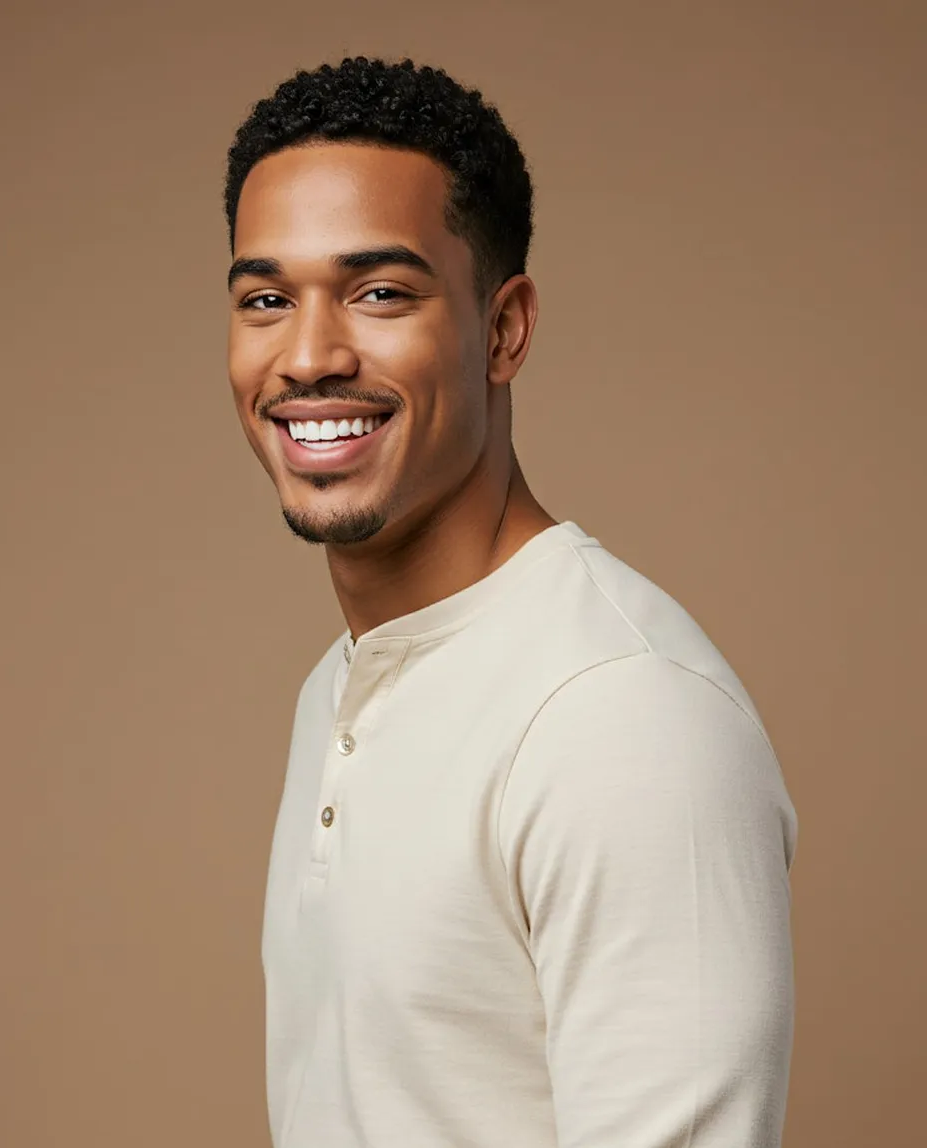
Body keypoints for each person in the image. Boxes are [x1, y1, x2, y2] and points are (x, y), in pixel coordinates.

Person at [223, 56, 797, 1148]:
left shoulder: (623, 716)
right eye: (266, 299)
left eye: (379, 293)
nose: (307, 356)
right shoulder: (339, 687)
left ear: (503, 330)